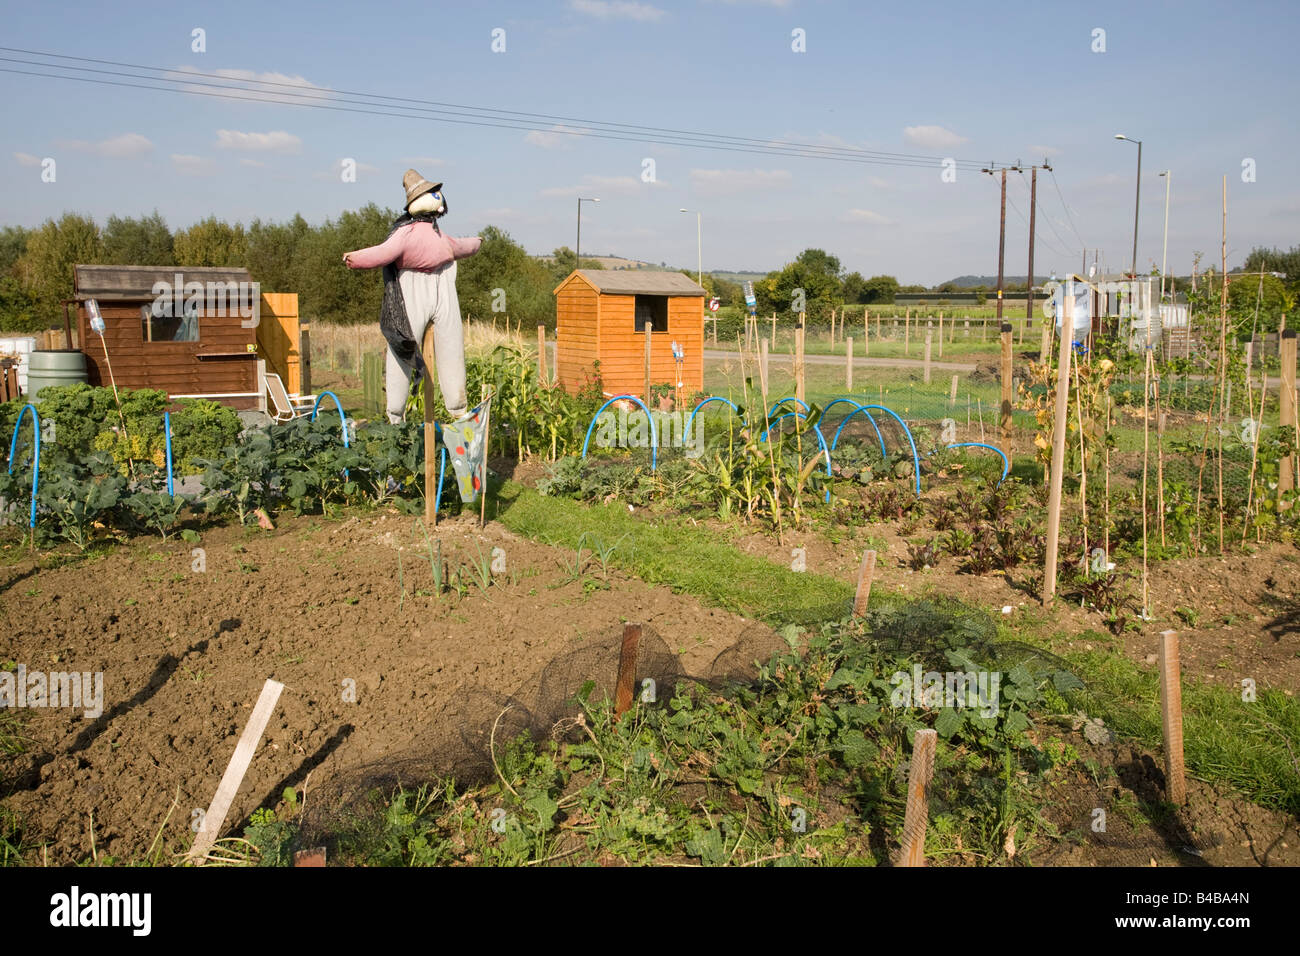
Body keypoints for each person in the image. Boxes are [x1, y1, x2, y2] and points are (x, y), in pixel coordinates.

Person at [343, 169, 482, 424]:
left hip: (444, 284)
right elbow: (383, 252)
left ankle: (457, 406)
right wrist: (356, 258)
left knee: (450, 343)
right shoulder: (405, 233)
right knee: (404, 346)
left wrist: (477, 242)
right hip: (411, 287)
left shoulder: (439, 234)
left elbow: (461, 246)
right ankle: (397, 412)